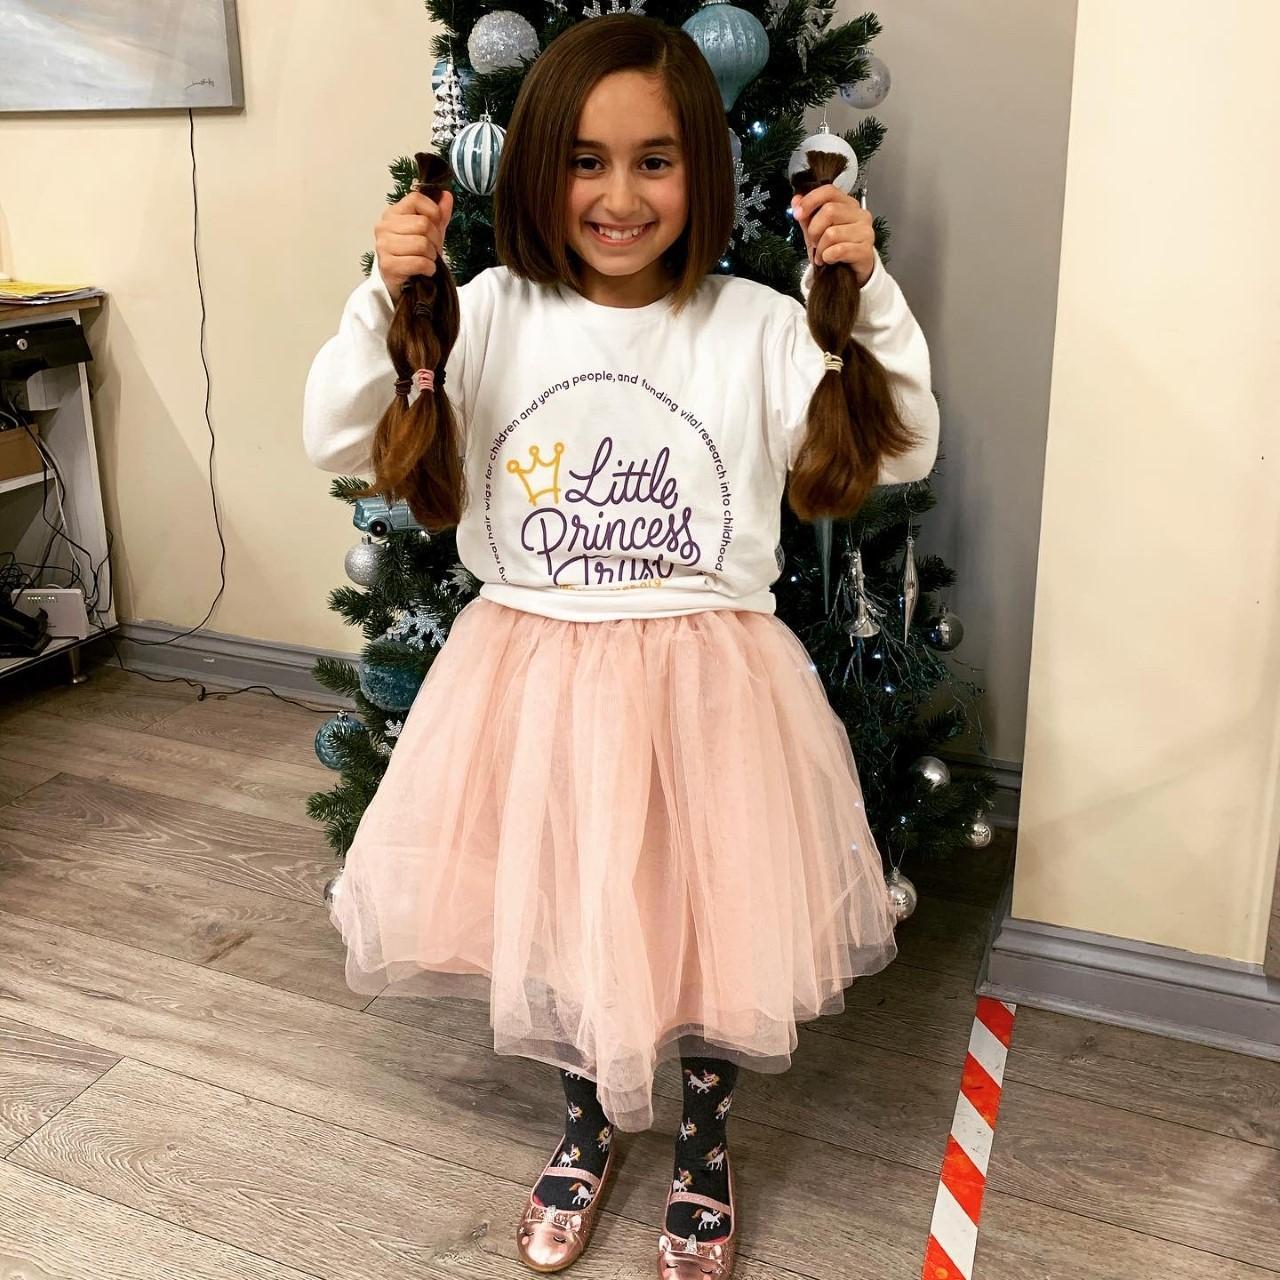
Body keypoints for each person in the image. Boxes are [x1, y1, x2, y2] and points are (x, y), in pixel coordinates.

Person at [303, 14, 938, 1278]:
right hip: (531, 680)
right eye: (584, 161)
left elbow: (902, 445)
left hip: (710, 688)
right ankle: (584, 1124)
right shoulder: (488, 313)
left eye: (655, 160)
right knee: (564, 913)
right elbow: (335, 433)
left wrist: (870, 294)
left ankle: (702, 1143)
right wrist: (384, 290)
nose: (618, 195)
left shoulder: (754, 325)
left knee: (707, 924)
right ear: (538, 169)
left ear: (702, 166)